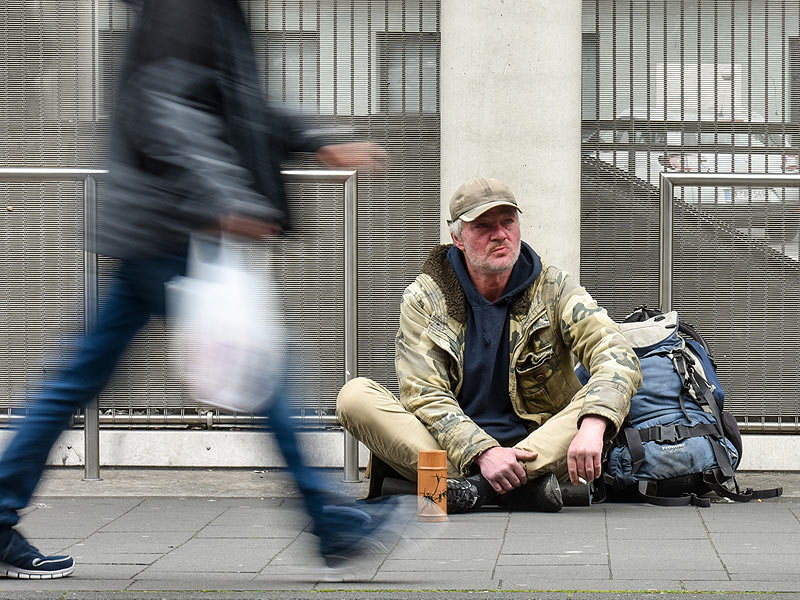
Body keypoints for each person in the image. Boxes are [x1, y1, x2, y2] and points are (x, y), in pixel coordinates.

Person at [0, 0, 410, 580]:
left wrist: (315, 137)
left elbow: (233, 103)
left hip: (162, 225)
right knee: (263, 372)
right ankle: (332, 523)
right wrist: (226, 195)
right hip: (172, 228)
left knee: (79, 376)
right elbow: (167, 106)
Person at [337, 177, 643, 513]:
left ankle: (464, 490)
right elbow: (425, 395)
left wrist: (593, 425)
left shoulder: (554, 288)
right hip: (451, 446)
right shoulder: (426, 297)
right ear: (458, 238)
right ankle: (513, 487)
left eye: (508, 222)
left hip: (536, 446)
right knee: (355, 396)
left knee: (605, 392)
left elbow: (617, 354)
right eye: (483, 226)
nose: (500, 235)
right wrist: (482, 452)